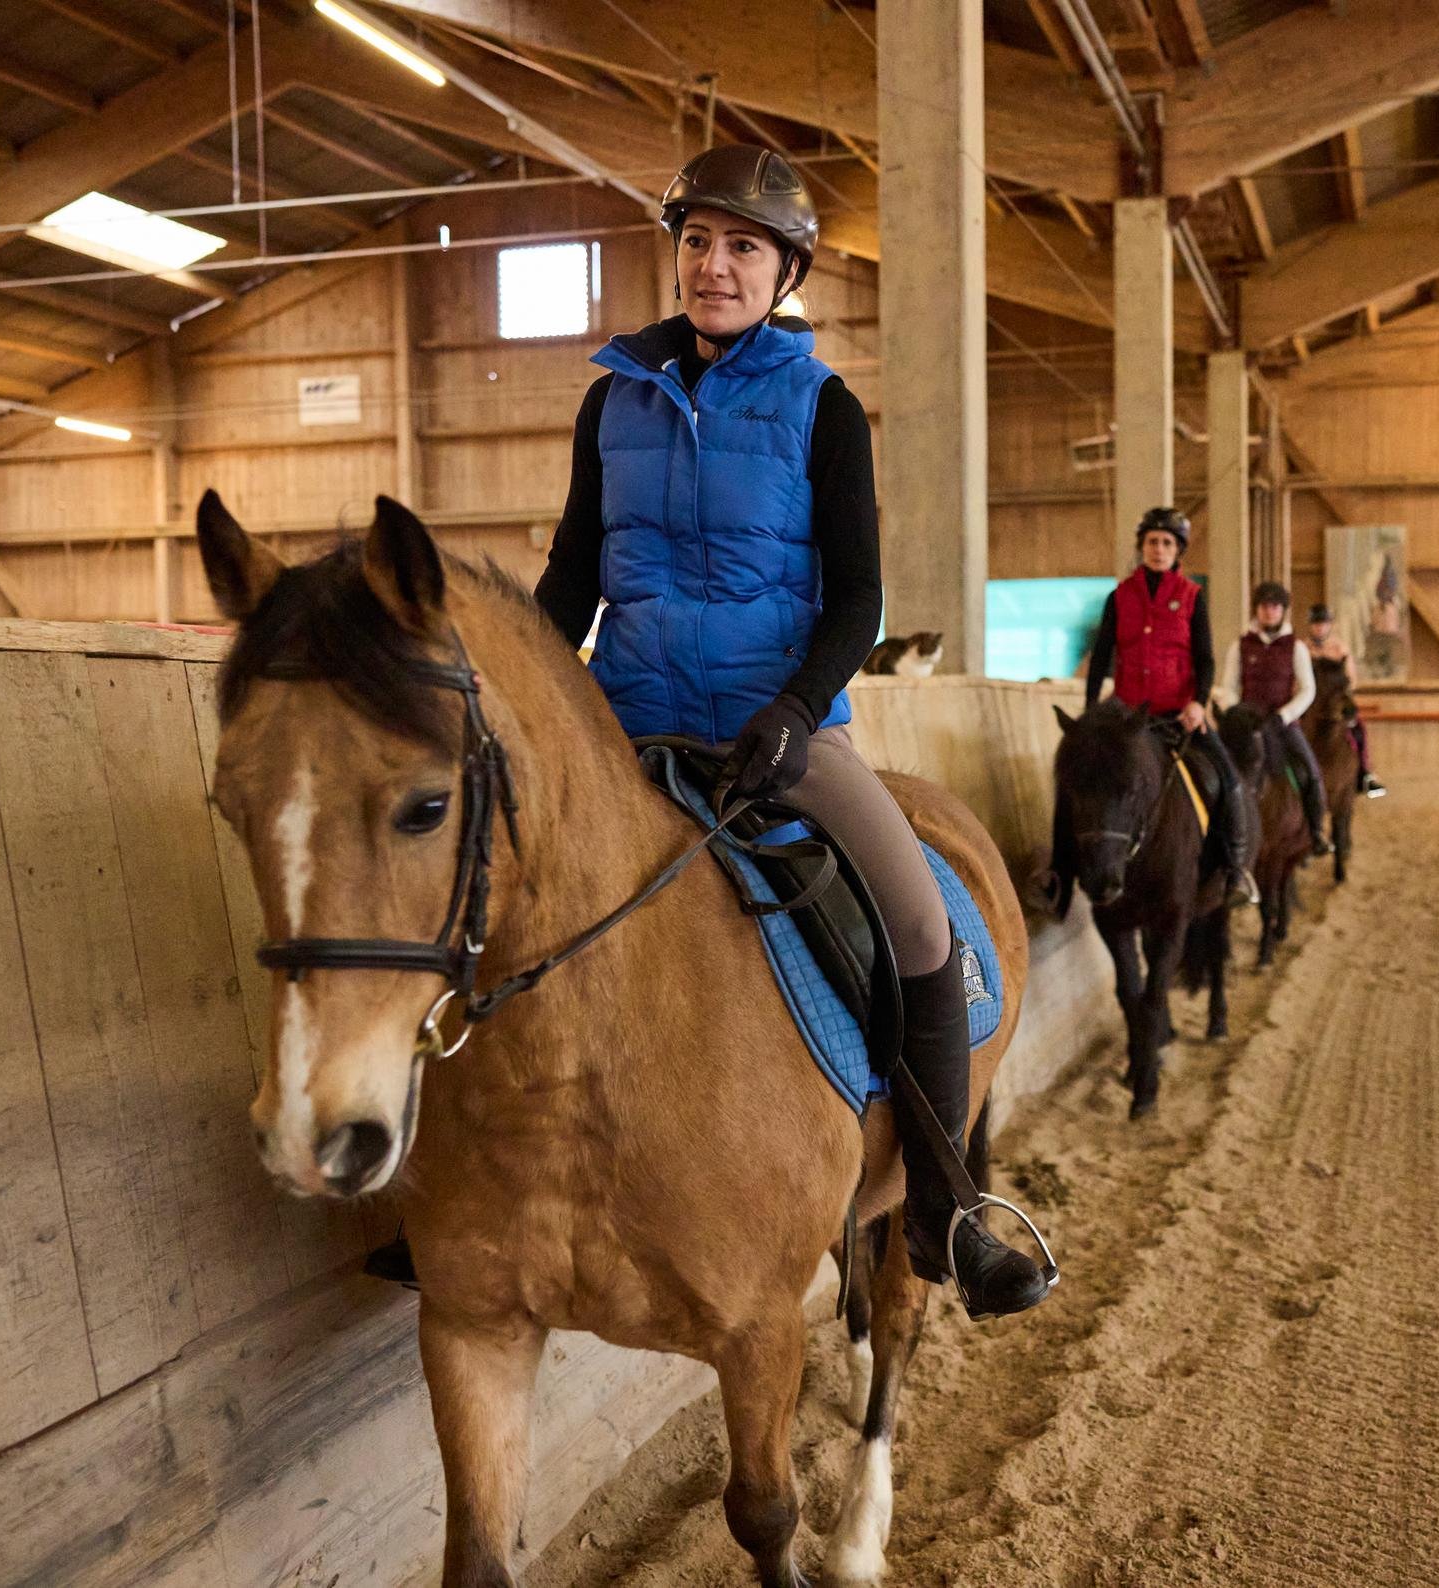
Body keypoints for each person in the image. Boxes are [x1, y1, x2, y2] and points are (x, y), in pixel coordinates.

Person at [530, 145, 1053, 1321]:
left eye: (743, 247)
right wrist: (527, 681)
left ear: (786, 270)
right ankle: (483, 1197)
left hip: (783, 730)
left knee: (918, 919)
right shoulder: (612, 399)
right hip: (631, 725)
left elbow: (858, 597)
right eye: (698, 242)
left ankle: (946, 1207)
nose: (715, 266)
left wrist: (793, 709)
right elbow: (571, 575)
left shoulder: (823, 407)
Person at [1071, 507, 1261, 904]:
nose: (1159, 549)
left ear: (1178, 552)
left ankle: (1236, 869)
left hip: (1179, 717)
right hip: (1127, 722)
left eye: (1167, 544)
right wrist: (1091, 713)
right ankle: (1060, 873)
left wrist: (1198, 702)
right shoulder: (1119, 597)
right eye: (1153, 542)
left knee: (1228, 780)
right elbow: (1102, 656)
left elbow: (1205, 660)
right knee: (1080, 780)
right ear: (1142, 547)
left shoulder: (1192, 597)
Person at [1213, 582, 1332, 855]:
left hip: (1281, 723)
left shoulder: (1296, 648)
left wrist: (1284, 715)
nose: (1270, 612)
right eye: (1265, 606)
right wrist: (1235, 710)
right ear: (1257, 609)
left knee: (1310, 772)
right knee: (1219, 769)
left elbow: (1308, 689)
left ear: (1283, 611)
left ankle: (1316, 832)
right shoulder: (1240, 645)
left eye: (1275, 607)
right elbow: (1229, 686)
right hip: (1246, 724)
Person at [1303, 603, 1387, 798]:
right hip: (1310, 701)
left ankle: (1366, 773)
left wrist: (1341, 696)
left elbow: (1351, 679)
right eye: (1316, 624)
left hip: (1335, 698)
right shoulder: (1303, 648)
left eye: (1323, 624)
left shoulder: (1339, 649)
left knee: (1357, 729)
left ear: (1329, 625)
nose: (1319, 628)